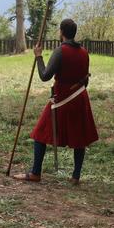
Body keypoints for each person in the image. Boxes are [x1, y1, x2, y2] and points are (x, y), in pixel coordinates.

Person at [13, 19, 98, 184]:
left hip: (62, 98)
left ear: (61, 32)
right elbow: (85, 80)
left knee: (40, 133)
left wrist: (38, 56)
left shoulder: (60, 51)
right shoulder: (84, 52)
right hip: (80, 98)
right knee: (79, 136)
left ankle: (35, 173)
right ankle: (75, 177)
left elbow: (45, 76)